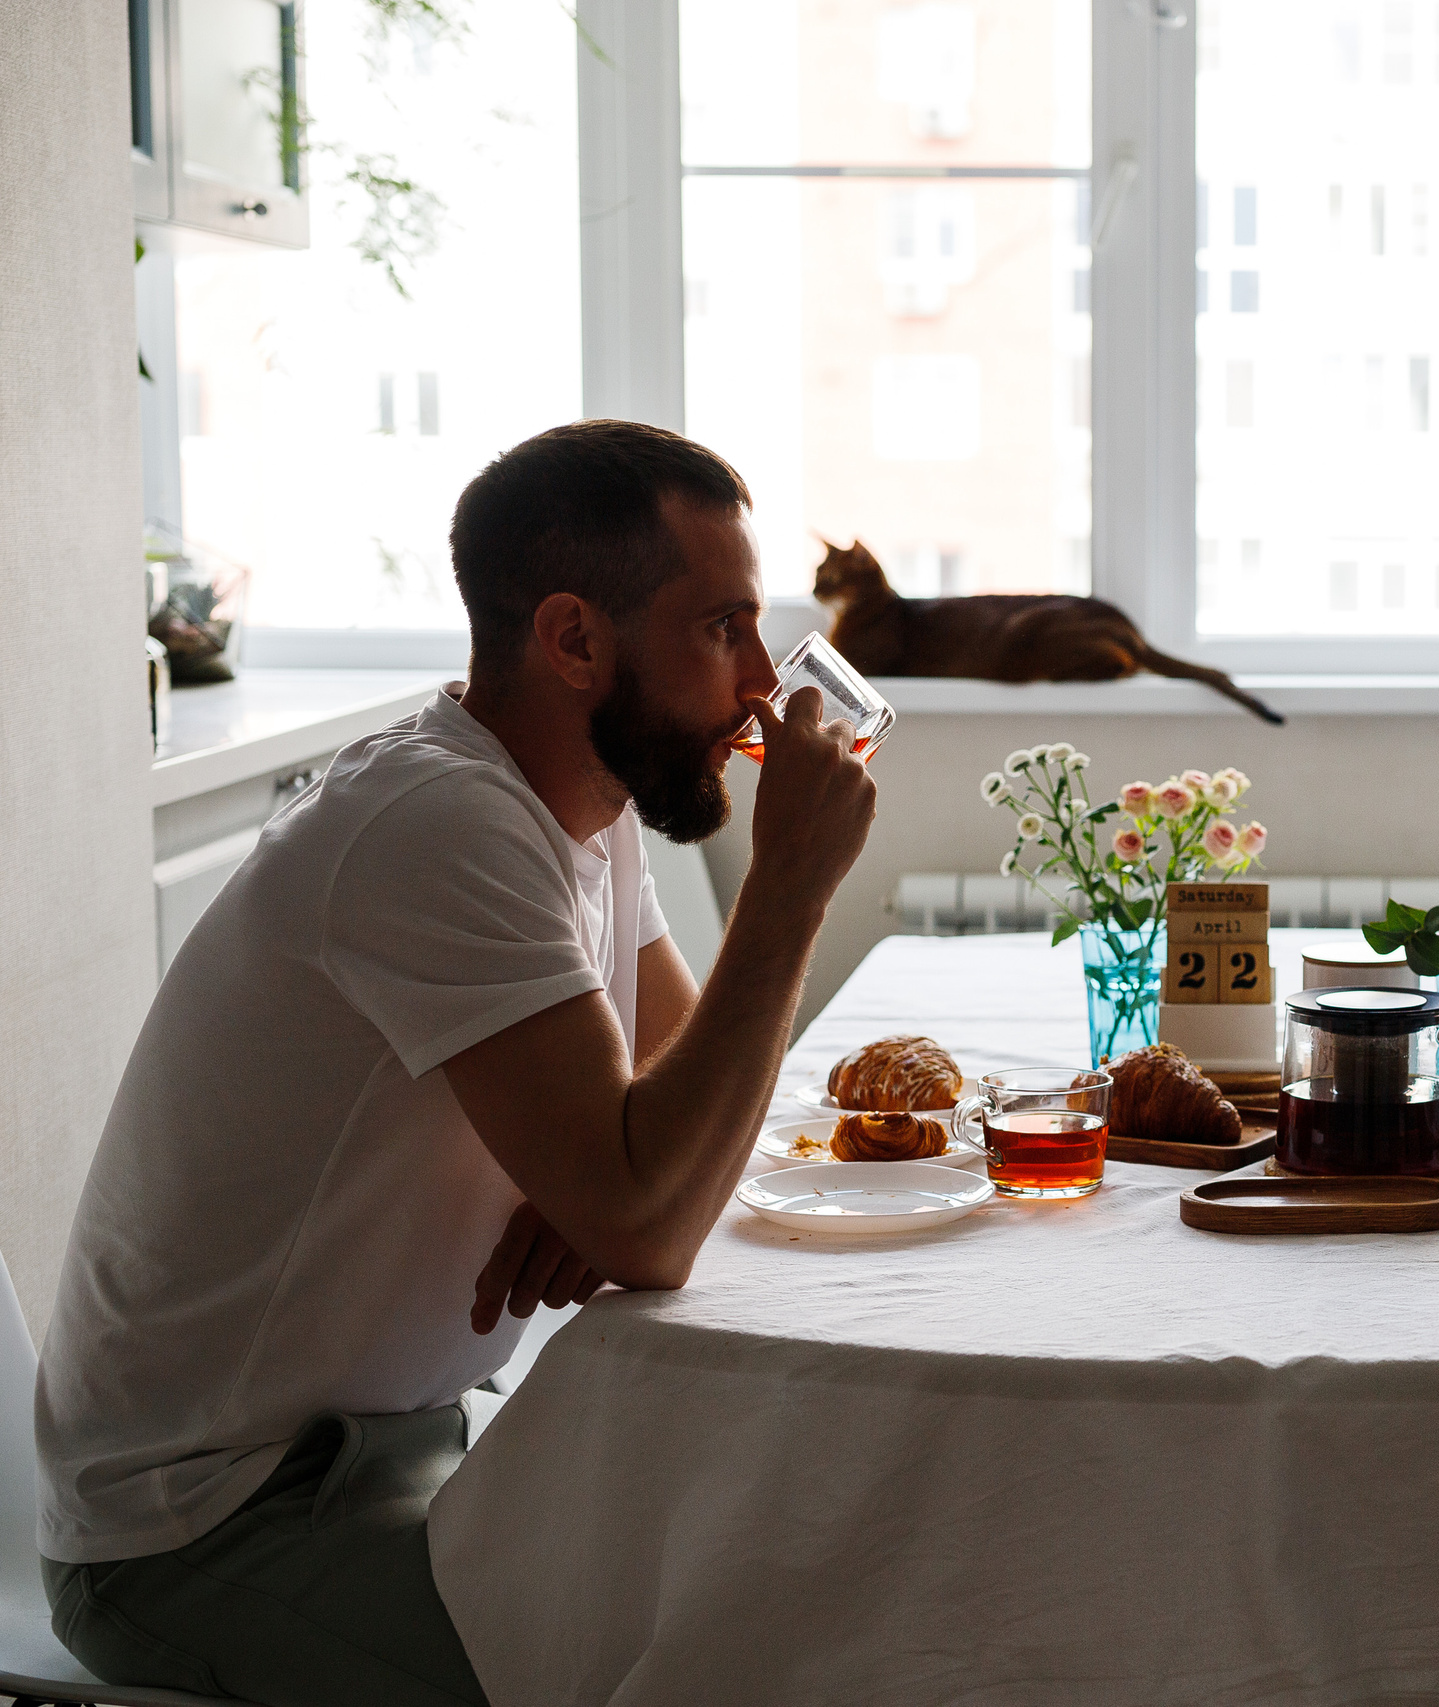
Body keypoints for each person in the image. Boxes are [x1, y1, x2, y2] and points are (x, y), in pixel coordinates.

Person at [34, 420, 879, 1706]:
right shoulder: (438, 824)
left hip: (405, 1447)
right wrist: (791, 888)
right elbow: (656, 1218)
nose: (765, 684)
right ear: (574, 641)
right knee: (721, 1667)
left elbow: (681, 1125)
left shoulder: (585, 807)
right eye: (723, 630)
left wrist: (611, 1180)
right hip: (208, 1526)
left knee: (791, 1567)